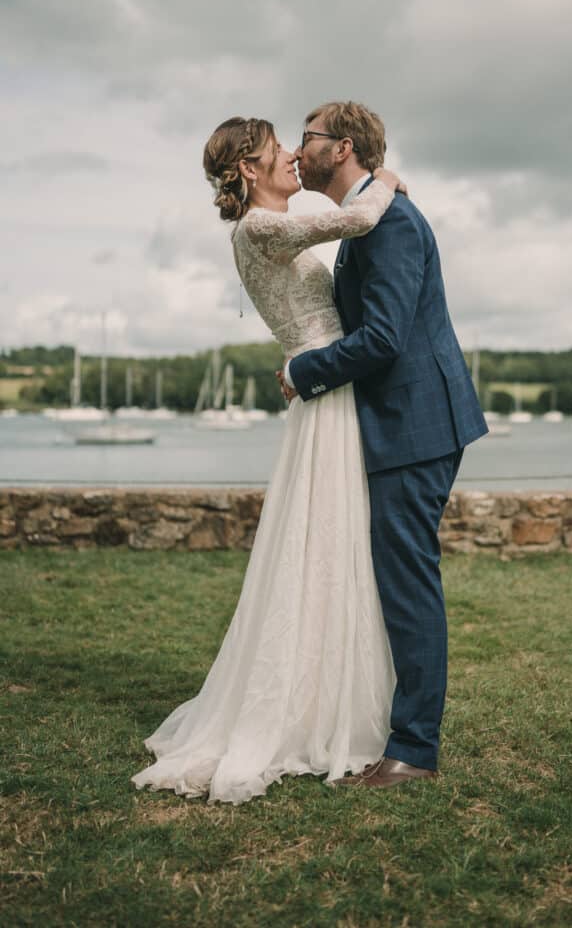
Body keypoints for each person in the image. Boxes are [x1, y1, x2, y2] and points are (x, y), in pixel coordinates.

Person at [131, 116, 404, 804]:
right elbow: (360, 219)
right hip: (323, 388)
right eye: (275, 150)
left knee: (329, 541)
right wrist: (388, 179)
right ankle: (305, 706)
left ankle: (323, 692)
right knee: (323, 542)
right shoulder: (257, 228)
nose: (289, 156)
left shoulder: (260, 229)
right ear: (248, 171)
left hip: (322, 381)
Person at [280, 101, 487, 789]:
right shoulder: (371, 211)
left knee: (407, 582)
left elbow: (385, 338)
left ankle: (414, 750)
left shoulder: (390, 220)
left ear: (340, 148)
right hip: (401, 421)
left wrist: (303, 373)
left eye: (304, 139)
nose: (294, 148)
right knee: (396, 579)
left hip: (416, 423)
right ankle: (393, 728)